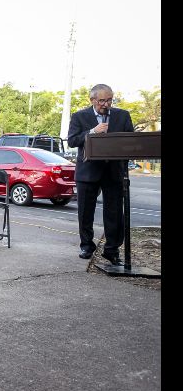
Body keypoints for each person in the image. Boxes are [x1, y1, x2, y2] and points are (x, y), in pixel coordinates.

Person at [67, 83, 134, 265]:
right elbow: (72, 140)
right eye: (102, 101)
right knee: (85, 212)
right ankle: (86, 246)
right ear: (93, 100)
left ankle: (112, 250)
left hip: (114, 172)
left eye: (109, 100)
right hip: (88, 172)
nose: (106, 104)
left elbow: (131, 141)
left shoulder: (122, 115)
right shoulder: (80, 116)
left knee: (114, 213)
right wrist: (92, 132)